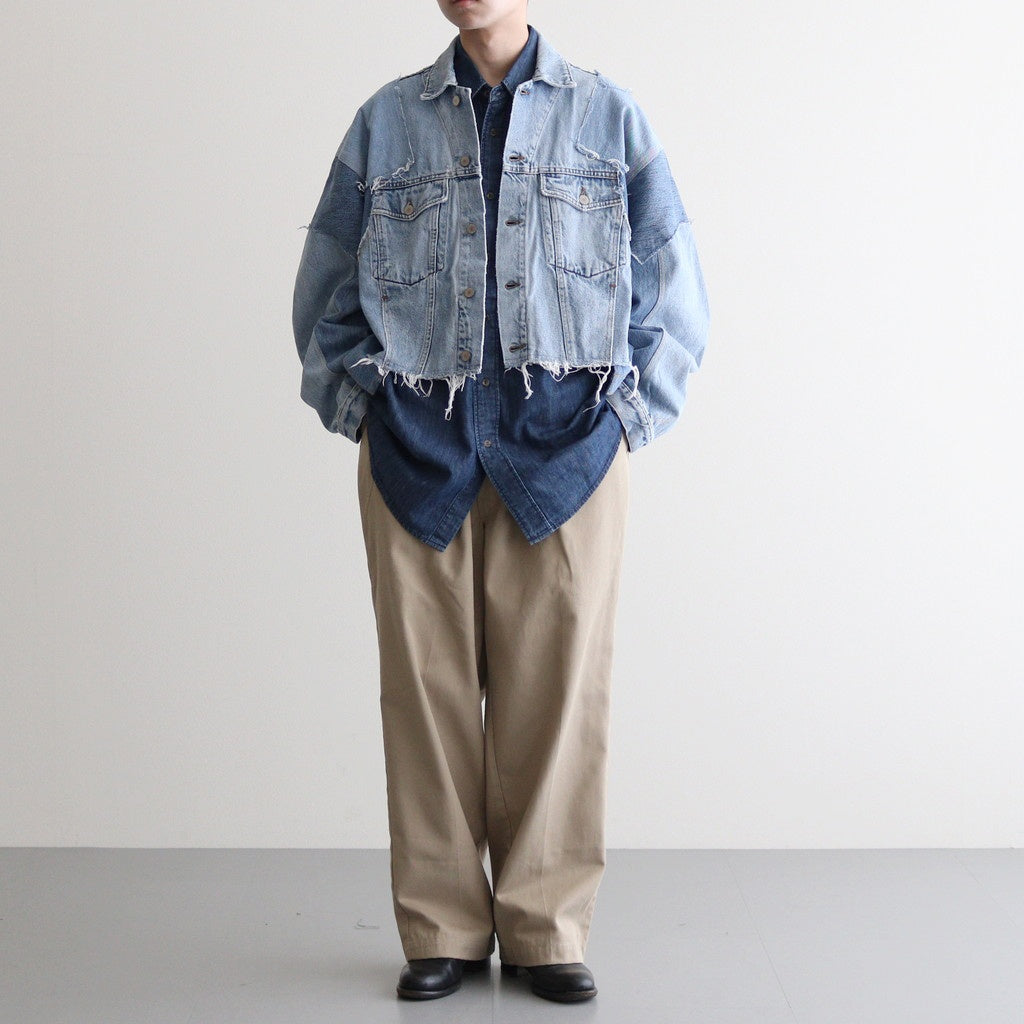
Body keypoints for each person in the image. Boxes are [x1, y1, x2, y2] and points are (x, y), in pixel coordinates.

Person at [292, 0, 709, 1003]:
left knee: (560, 698)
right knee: (423, 696)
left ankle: (545, 928)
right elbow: (325, 290)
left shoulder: (608, 118)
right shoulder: (385, 122)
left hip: (567, 457)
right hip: (416, 452)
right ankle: (440, 925)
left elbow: (673, 288)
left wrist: (620, 426)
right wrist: (366, 411)